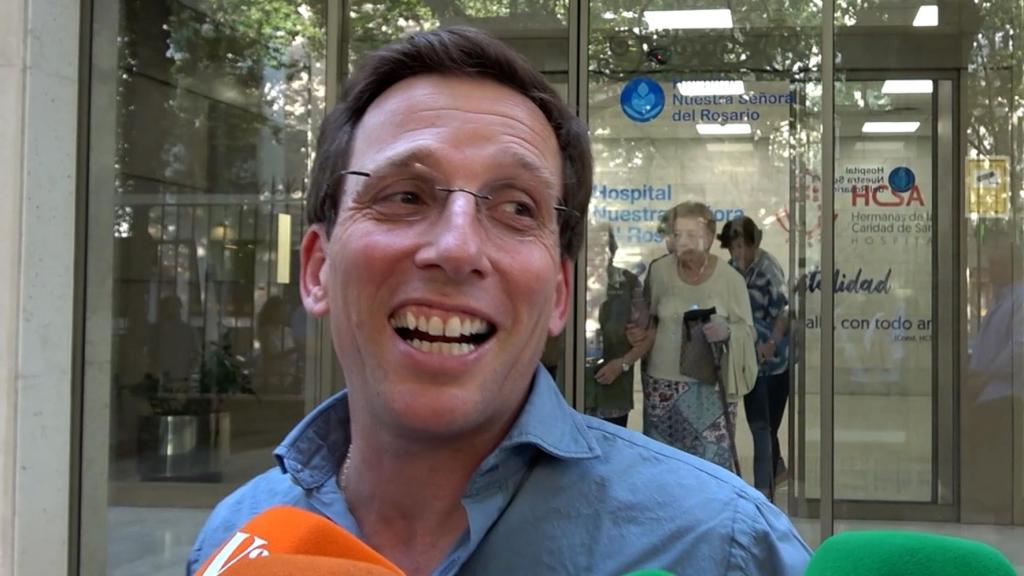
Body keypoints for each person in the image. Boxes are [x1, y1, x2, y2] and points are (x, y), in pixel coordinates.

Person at [187, 28, 809, 576]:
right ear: (317, 268)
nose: (458, 248)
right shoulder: (234, 545)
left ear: (560, 293)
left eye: (516, 207)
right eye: (405, 196)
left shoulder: (722, 549)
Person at [633, 202, 758, 472]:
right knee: (661, 467)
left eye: (692, 235)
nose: (683, 241)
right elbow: (649, 320)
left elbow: (748, 330)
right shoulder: (659, 271)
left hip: (711, 389)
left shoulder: (731, 279)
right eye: (678, 234)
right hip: (661, 386)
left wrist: (727, 331)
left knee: (710, 469)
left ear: (709, 237)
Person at [719, 216, 791, 499]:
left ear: (753, 244)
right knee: (760, 426)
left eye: (742, 246)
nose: (737, 253)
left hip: (772, 365)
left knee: (763, 427)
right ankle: (777, 470)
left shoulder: (767, 270)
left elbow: (784, 311)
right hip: (746, 362)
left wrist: (771, 343)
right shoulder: (730, 271)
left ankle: (763, 491)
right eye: (732, 247)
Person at [585, 225, 644, 427]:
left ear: (613, 250)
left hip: (614, 390)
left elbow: (646, 335)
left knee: (611, 443)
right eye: (592, 246)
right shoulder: (569, 281)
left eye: (604, 246)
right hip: (571, 389)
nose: (598, 252)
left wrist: (623, 364)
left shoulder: (628, 283)